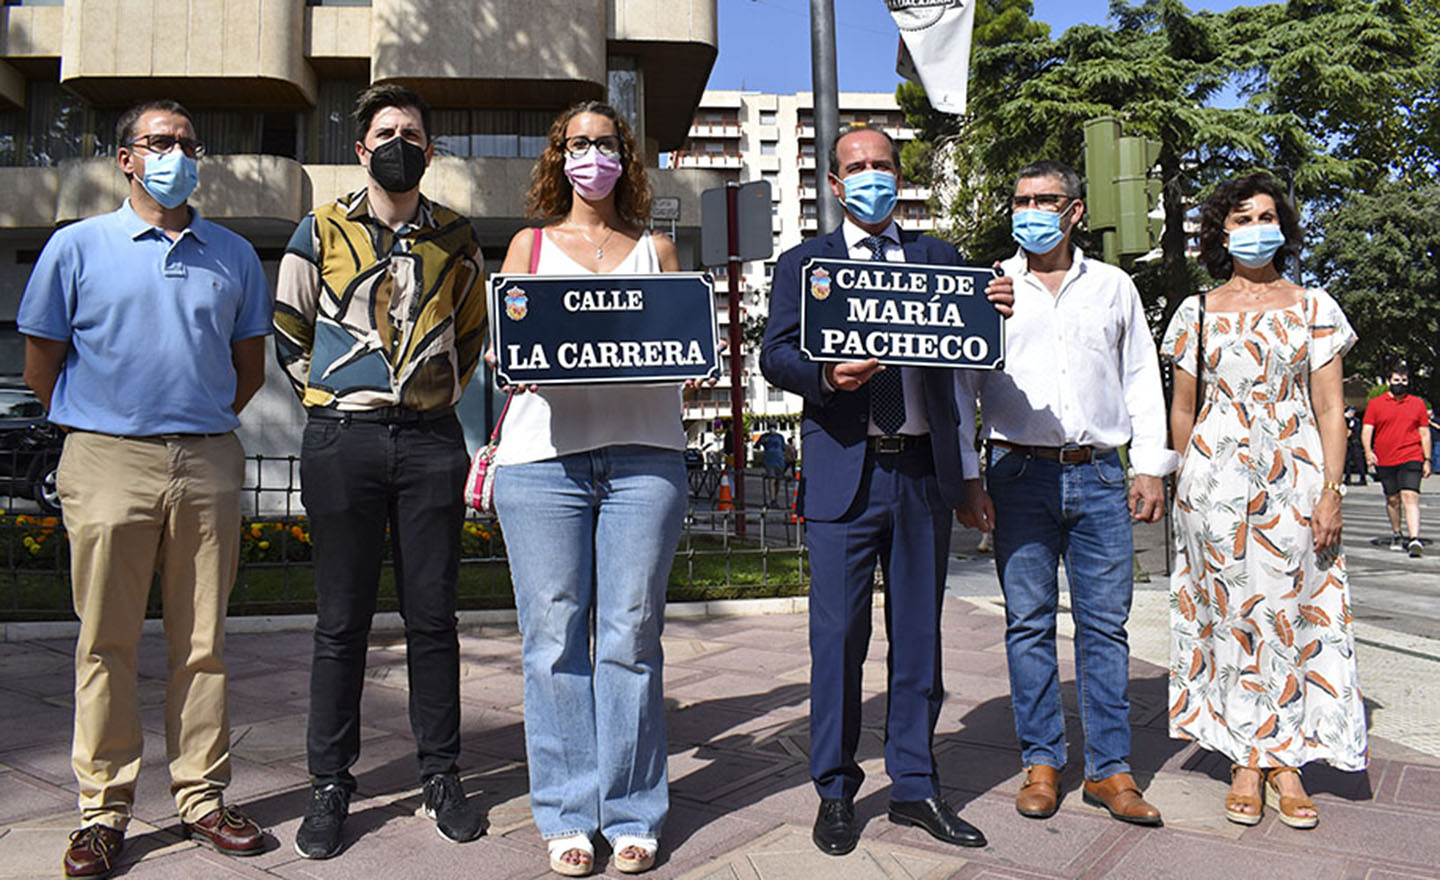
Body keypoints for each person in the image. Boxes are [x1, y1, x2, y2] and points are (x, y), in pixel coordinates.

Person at [19, 99, 271, 878]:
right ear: (126, 157)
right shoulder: (76, 247)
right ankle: (103, 811)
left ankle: (202, 796)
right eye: (160, 142)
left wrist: (188, 421)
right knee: (106, 642)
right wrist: (102, 424)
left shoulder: (232, 254)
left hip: (205, 460)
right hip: (105, 460)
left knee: (205, 644)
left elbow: (249, 368)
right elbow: (41, 361)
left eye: (188, 143)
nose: (176, 154)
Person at [761, 124, 1013, 856]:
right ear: (835, 185)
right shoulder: (804, 262)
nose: (871, 177)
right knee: (836, 640)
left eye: (883, 165)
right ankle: (835, 791)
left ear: (899, 177)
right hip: (846, 466)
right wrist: (823, 375)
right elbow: (776, 350)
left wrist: (995, 304)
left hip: (920, 473)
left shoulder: (940, 260)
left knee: (919, 640)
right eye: (856, 167)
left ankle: (913, 785)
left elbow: (972, 361)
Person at [273, 84, 487, 859]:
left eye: (414, 133)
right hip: (343, 442)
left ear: (430, 152)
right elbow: (289, 331)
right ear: (362, 148)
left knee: (433, 618)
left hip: (431, 443)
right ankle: (330, 783)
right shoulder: (320, 229)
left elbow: (469, 337)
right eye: (387, 131)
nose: (401, 142)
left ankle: (441, 774)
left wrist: (425, 399)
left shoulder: (458, 239)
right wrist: (336, 402)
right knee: (342, 622)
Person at [490, 100, 685, 877]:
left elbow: (683, 346)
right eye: (579, 144)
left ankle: (634, 808)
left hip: (644, 459)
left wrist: (693, 358)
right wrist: (520, 362)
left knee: (631, 638)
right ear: (558, 156)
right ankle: (569, 812)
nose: (592, 156)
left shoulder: (657, 250)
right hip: (542, 466)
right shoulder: (529, 246)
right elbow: (506, 351)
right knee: (551, 642)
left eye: (605, 143)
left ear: (625, 157)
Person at [955, 160, 1175, 828]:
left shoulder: (1112, 287)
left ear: (1075, 211)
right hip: (1017, 474)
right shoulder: (989, 288)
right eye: (1021, 200)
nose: (1032, 210)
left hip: (1102, 471)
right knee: (1028, 624)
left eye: (1046, 200)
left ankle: (1110, 769)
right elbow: (963, 384)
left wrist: (1151, 466)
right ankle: (1043, 761)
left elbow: (1140, 374)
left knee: (1105, 627)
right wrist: (969, 475)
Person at [1162, 172, 1365, 830]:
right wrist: (1190, 488)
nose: (1255, 228)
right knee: (1230, 620)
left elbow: (1332, 407)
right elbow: (1184, 409)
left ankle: (1288, 759)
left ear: (1284, 225)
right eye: (1242, 218)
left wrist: (1332, 490)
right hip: (1214, 495)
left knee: (1295, 617)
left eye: (1266, 216)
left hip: (1296, 485)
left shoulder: (1315, 307)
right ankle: (1246, 756)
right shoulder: (1195, 311)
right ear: (1222, 232)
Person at [1362, 366, 1430, 557]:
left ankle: (1414, 539)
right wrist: (1368, 452)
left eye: (1404, 381)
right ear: (1388, 381)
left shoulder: (1417, 404)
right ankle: (1397, 533)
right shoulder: (1376, 404)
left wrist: (1427, 459)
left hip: (1411, 455)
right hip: (1386, 458)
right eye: (1397, 380)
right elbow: (1367, 430)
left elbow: (1424, 433)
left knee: (1410, 495)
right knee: (1393, 499)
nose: (1400, 384)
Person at [754, 427, 787, 505]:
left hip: (780, 461)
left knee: (778, 480)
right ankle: (773, 500)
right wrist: (763, 442)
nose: (772, 429)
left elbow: (784, 447)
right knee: (772, 479)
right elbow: (756, 445)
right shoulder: (764, 436)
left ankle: (775, 497)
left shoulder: (780, 436)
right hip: (769, 461)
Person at [1342, 406, 1367, 485]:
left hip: (1355, 443)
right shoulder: (1345, 420)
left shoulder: (1356, 421)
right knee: (1347, 461)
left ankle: (1362, 478)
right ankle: (1347, 478)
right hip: (1348, 443)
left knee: (1359, 461)